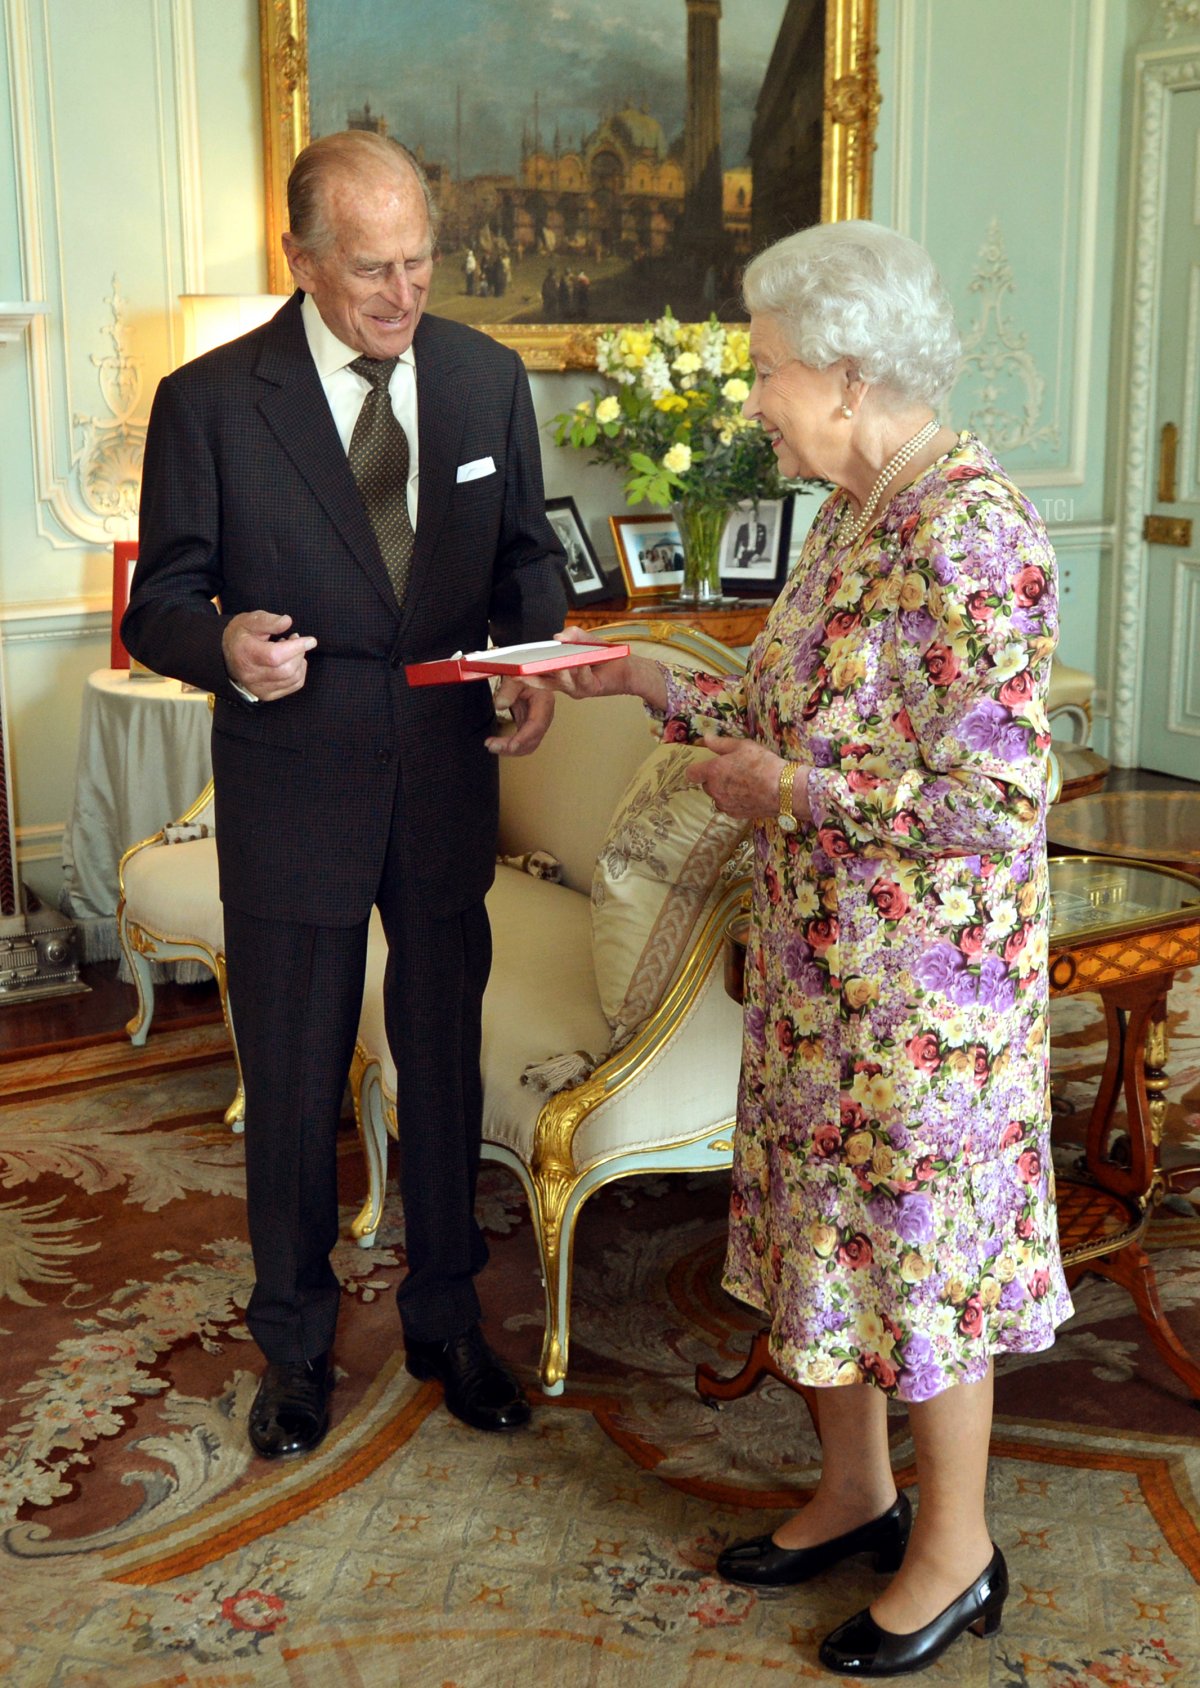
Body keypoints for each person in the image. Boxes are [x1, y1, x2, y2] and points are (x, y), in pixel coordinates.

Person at [524, 220, 1071, 1678]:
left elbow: (999, 801)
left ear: (845, 373)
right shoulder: (846, 512)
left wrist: (801, 796)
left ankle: (955, 1555)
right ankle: (858, 1488)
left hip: (924, 1007)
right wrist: (647, 681)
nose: (753, 395)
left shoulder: (970, 531)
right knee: (816, 1237)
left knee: (921, 1262)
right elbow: (783, 725)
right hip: (821, 973)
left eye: (766, 370)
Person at [123, 131, 566, 1461]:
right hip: (294, 782)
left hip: (441, 783)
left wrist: (532, 661)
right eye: (371, 267)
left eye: (420, 258)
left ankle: (448, 1324)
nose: (403, 291)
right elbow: (160, 602)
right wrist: (224, 650)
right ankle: (297, 1351)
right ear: (302, 259)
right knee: (299, 1076)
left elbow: (528, 558)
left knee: (440, 1068)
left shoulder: (487, 379)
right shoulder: (210, 400)